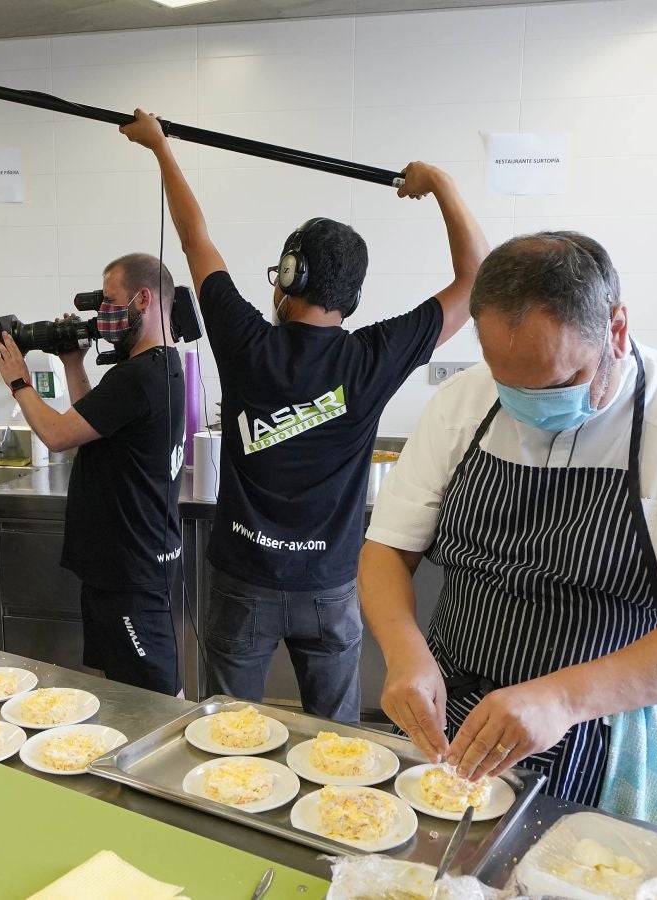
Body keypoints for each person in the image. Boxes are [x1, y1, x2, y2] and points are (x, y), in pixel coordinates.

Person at [358, 232, 657, 825]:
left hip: (602, 726)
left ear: (616, 328)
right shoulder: (462, 401)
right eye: (510, 384)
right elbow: (387, 548)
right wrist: (405, 656)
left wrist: (564, 695)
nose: (532, 405)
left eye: (558, 383)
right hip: (457, 712)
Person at [119, 109, 488, 723]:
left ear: (289, 276)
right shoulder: (374, 357)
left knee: (225, 735)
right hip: (331, 588)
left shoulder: (244, 341)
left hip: (245, 580)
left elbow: (194, 239)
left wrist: (161, 148)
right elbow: (476, 280)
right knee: (336, 742)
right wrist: (442, 184)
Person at [0, 252, 186, 696]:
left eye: (110, 301)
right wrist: (73, 364)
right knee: (122, 688)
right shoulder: (159, 368)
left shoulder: (138, 376)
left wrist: (19, 382)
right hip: (119, 568)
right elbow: (89, 428)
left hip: (129, 573)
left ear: (143, 299)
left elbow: (59, 434)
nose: (103, 315)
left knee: (153, 695)